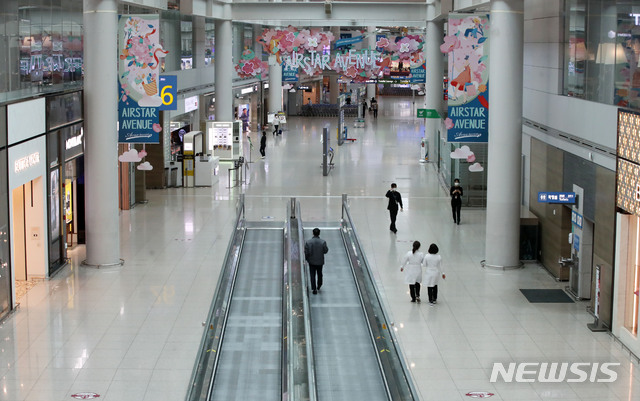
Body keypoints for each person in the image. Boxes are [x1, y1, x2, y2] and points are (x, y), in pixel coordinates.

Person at [305, 228, 329, 294]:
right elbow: (325, 251)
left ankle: (314, 288)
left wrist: (307, 259)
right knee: (319, 273)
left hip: (311, 261)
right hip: (320, 261)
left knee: (312, 274)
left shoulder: (308, 242)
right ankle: (319, 285)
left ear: (313, 233)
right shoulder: (323, 242)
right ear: (319, 233)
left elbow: (306, 252)